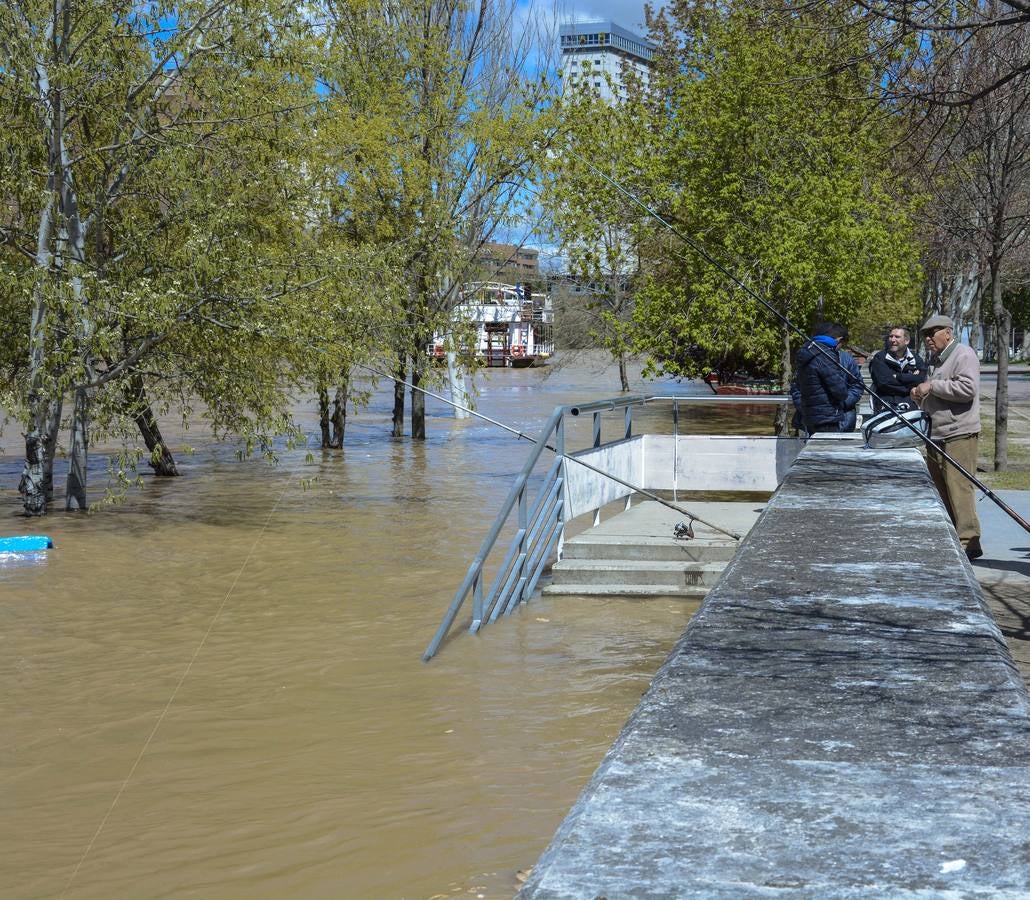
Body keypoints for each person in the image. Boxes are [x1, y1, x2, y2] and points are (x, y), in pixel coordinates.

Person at [909, 314, 982, 560]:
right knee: (942, 489)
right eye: (926, 335)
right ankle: (953, 538)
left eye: (933, 333)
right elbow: (940, 391)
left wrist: (932, 386)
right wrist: (921, 396)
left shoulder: (963, 354)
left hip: (959, 433)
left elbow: (967, 389)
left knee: (959, 489)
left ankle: (968, 542)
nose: (928, 338)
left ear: (948, 333)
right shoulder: (936, 360)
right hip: (936, 434)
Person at [793, 322, 851, 433]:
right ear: (839, 340)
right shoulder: (825, 355)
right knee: (826, 449)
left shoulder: (807, 351)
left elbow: (796, 385)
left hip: (809, 415)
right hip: (827, 417)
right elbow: (840, 391)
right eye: (841, 345)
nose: (839, 349)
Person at [869, 326, 926, 413]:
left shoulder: (916, 359)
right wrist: (910, 383)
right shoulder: (879, 358)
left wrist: (898, 377)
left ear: (906, 341)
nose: (892, 340)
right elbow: (884, 384)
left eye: (897, 337)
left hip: (911, 407)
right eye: (891, 336)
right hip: (885, 407)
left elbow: (921, 379)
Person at [833, 323, 864, 432]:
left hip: (844, 420)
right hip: (812, 420)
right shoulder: (809, 357)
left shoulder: (847, 359)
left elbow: (857, 386)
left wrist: (843, 403)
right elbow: (797, 389)